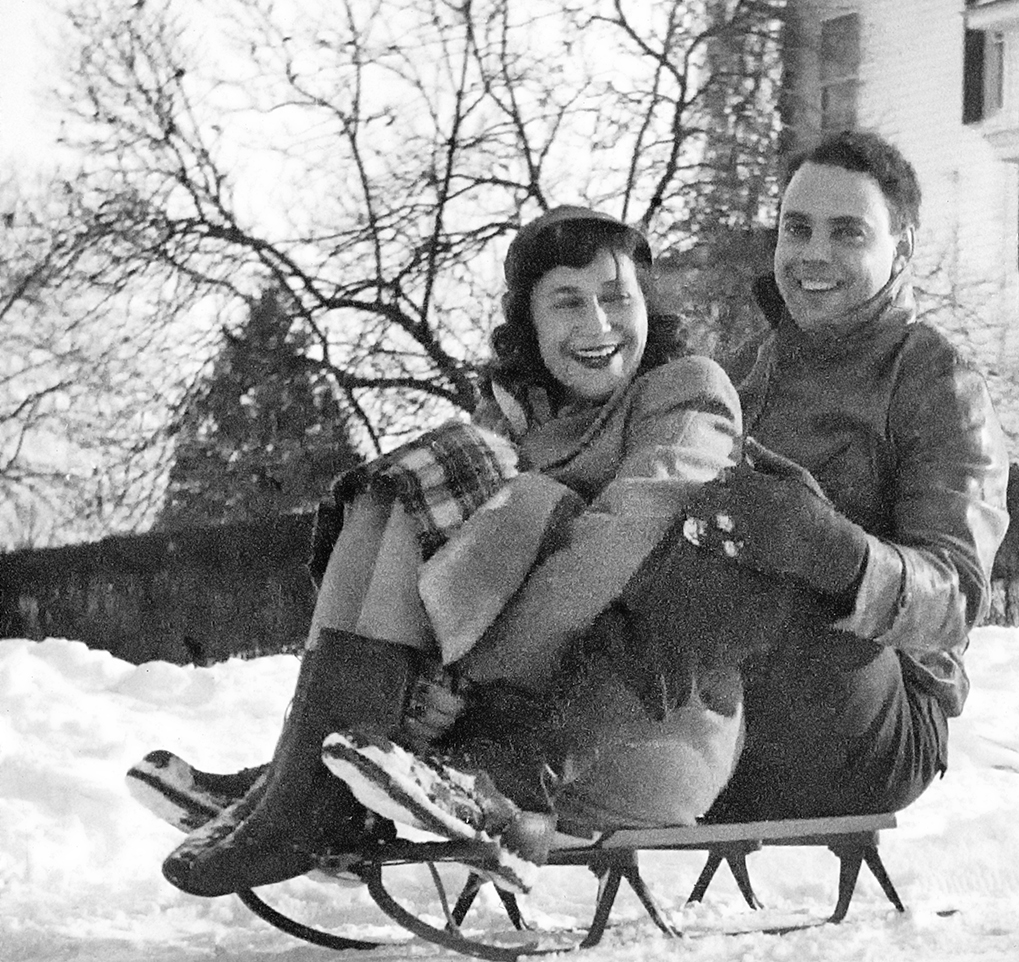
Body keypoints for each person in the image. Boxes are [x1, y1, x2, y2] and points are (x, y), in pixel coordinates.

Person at [157, 204, 771, 899]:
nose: (598, 326)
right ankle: (306, 779)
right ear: (529, 325)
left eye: (615, 298)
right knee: (394, 491)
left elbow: (624, 544)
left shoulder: (684, 393)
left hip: (628, 741)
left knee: (518, 494)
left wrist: (462, 684)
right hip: (483, 743)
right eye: (567, 302)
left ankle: (311, 794)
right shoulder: (515, 424)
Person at [627, 129, 1010, 821]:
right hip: (737, 695)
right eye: (795, 228)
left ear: (901, 247)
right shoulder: (741, 375)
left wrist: (833, 550)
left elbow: (955, 599)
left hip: (867, 712)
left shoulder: (933, 382)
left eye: (846, 233)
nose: (812, 255)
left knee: (790, 609)